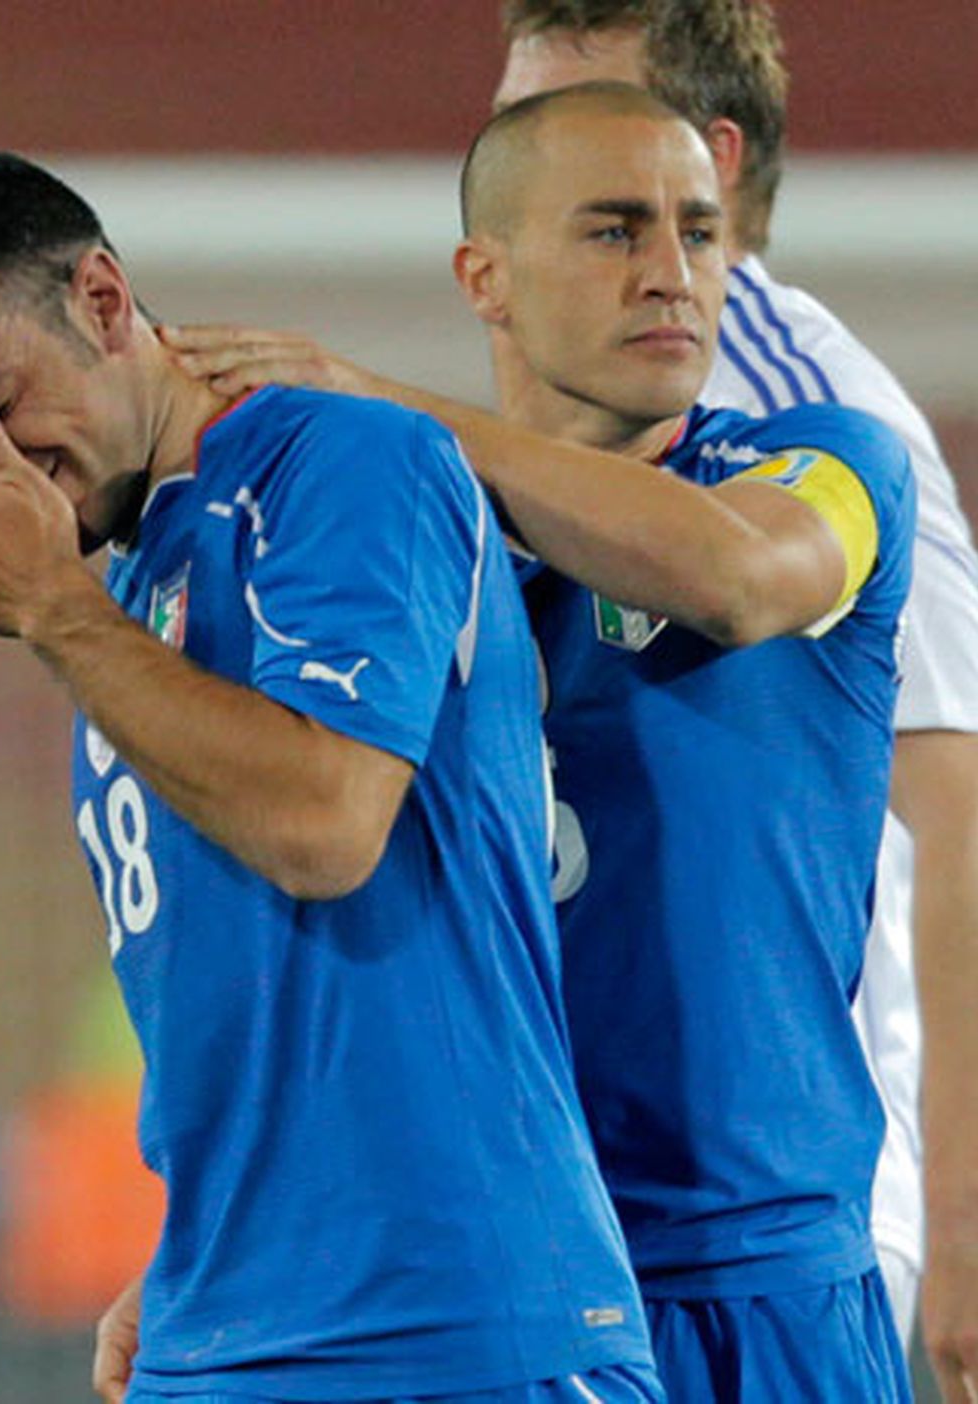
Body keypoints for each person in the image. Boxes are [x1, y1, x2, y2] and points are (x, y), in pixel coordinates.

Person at [0, 150, 664, 1404]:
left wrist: (52, 608)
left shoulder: (344, 468)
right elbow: (251, 993)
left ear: (103, 300)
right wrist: (203, 1245)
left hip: (451, 1328)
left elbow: (326, 825)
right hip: (227, 1326)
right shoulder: (126, 599)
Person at [169, 83, 916, 1401]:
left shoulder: (829, 465)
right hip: (502, 1305)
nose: (673, 275)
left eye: (699, 232)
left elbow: (735, 579)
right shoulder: (411, 573)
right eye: (616, 232)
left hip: (761, 1293)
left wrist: (376, 404)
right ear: (487, 276)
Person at [489, 5, 978, 1399]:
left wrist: (964, 1218)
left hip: (803, 1222)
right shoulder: (563, 417)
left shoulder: (813, 411)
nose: (516, 147)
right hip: (585, 1225)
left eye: (559, 111)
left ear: (698, 157)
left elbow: (960, 812)